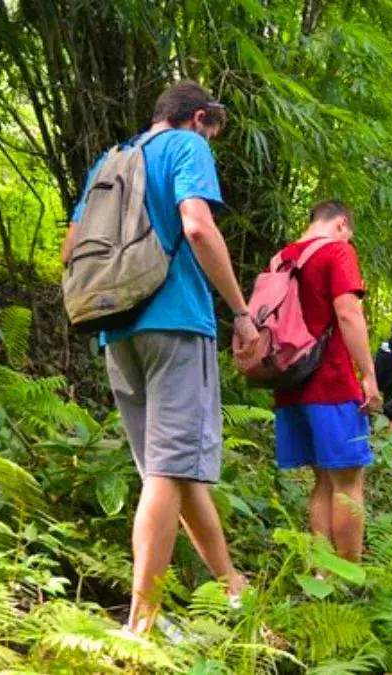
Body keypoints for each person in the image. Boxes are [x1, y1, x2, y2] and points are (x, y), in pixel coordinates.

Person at [62, 81, 257, 635]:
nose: (210, 144)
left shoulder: (111, 158)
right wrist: (241, 313)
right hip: (174, 320)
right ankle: (139, 626)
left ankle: (233, 590)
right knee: (170, 468)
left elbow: (71, 250)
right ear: (199, 118)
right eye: (213, 134)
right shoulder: (185, 146)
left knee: (170, 472)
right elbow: (196, 224)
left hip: (114, 326)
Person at [273, 201, 380, 563]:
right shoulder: (337, 250)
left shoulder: (282, 258)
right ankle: (346, 573)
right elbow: (348, 314)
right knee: (349, 483)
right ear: (342, 224)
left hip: (290, 383)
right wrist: (368, 374)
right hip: (331, 382)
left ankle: (322, 571)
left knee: (322, 480)